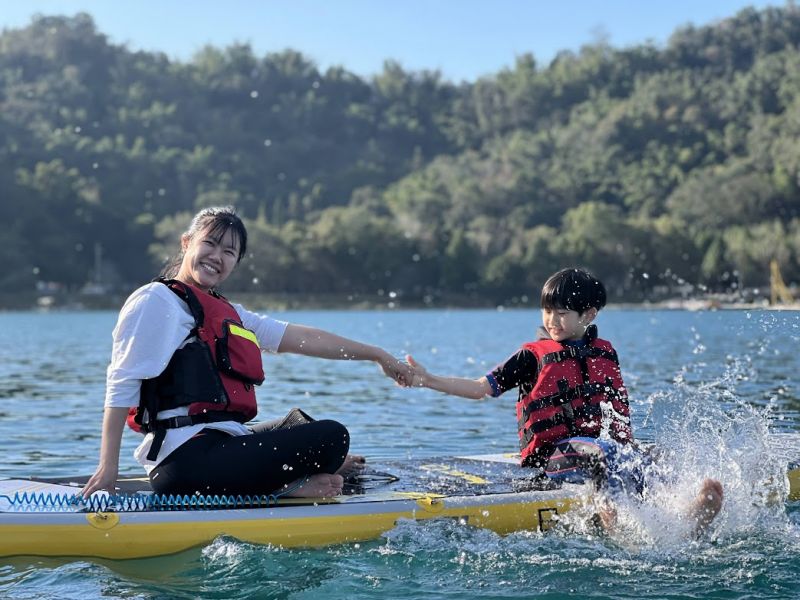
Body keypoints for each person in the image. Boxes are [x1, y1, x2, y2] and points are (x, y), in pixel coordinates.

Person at [82, 206, 412, 501]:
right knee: (332, 436)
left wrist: (376, 354)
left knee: (298, 423)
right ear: (187, 243)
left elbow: (301, 337)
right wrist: (108, 467)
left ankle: (299, 477)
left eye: (229, 251)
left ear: (236, 263)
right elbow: (121, 382)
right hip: (185, 464)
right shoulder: (157, 300)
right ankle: (285, 489)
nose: (216, 256)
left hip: (217, 446)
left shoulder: (228, 312)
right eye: (209, 243)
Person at [406, 267, 723, 535]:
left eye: (561, 312)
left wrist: (633, 450)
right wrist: (428, 379)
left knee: (655, 455)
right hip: (551, 460)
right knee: (600, 451)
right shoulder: (531, 357)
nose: (552, 320)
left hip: (600, 452)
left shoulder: (604, 352)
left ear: (588, 314)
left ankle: (687, 514)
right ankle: (613, 520)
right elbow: (480, 388)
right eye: (547, 311)